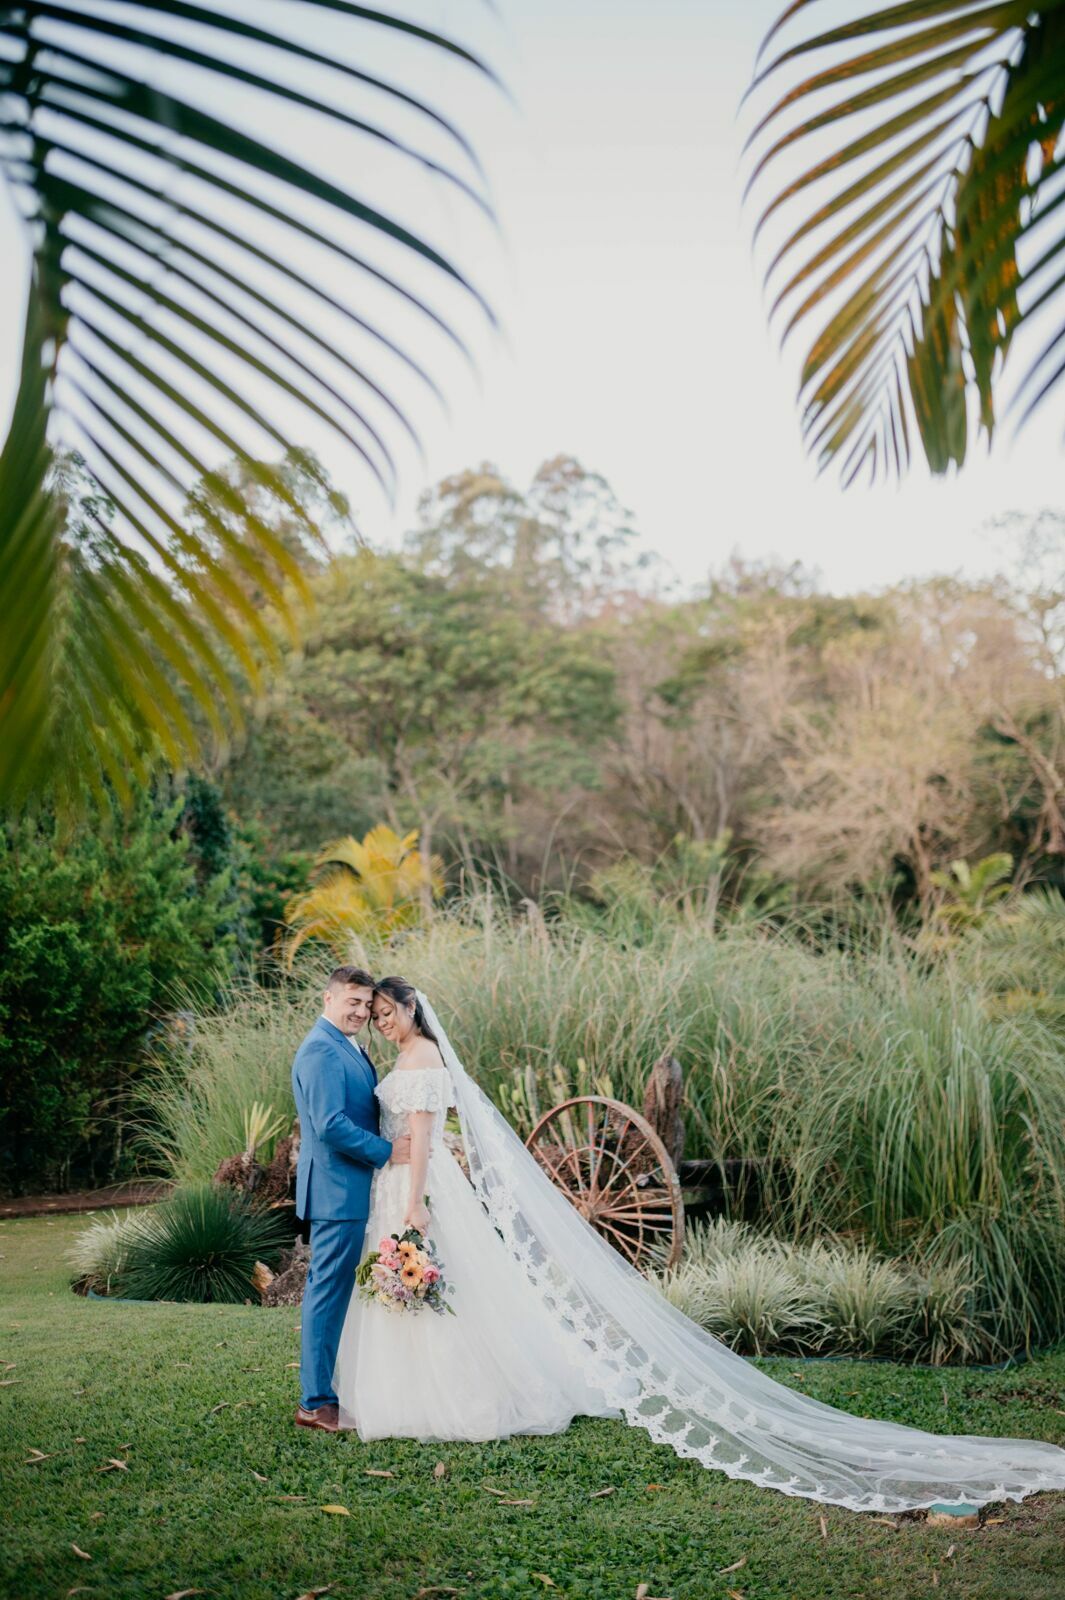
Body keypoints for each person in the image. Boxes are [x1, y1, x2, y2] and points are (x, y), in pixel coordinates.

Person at [328, 977, 1065, 1516]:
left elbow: (421, 1140)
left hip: (416, 1189)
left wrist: (417, 1201)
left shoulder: (420, 1061)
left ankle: (451, 1397)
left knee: (435, 1285)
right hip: (403, 1184)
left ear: (412, 1010)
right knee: (444, 1291)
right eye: (377, 1014)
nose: (382, 1022)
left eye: (388, 1011)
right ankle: (415, 1388)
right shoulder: (406, 1058)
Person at [290, 965, 411, 1433]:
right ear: (328, 999)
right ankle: (315, 1403)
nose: (361, 1011)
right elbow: (330, 1124)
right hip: (337, 1192)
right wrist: (388, 1151)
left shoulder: (348, 1047)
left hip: (354, 1189)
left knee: (339, 1293)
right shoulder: (321, 1050)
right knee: (327, 1293)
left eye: (367, 1004)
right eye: (353, 1002)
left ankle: (333, 1391)